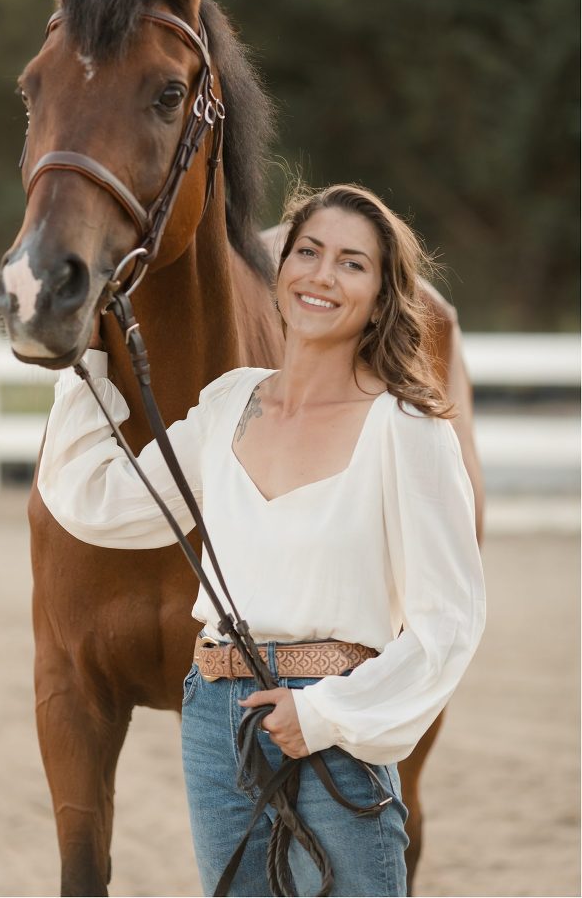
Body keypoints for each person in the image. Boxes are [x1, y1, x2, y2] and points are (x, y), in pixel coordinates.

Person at [37, 182, 486, 898]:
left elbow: (449, 625)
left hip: (335, 718)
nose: (320, 274)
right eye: (308, 251)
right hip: (218, 716)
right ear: (279, 270)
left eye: (351, 263)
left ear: (381, 292)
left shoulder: (408, 427)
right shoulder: (229, 404)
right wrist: (82, 366)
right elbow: (100, 499)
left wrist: (322, 714)